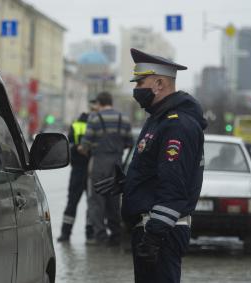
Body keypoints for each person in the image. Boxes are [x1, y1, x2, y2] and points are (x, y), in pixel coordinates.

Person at [95, 48, 207, 282]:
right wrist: (130, 184)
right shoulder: (159, 119)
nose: (136, 90)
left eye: (140, 82)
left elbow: (174, 186)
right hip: (152, 228)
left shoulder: (176, 124)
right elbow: (158, 172)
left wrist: (154, 236)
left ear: (159, 83)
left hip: (162, 230)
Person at [79, 92, 133, 246]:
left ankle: (100, 236)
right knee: (114, 201)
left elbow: (85, 145)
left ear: (99, 104)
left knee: (96, 201)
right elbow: (130, 143)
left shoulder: (94, 118)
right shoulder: (124, 119)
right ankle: (116, 235)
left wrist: (81, 149)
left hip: (99, 165)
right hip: (117, 165)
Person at [57, 103, 97, 242]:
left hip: (77, 169)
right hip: (92, 169)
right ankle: (90, 233)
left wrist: (77, 152)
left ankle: (65, 234)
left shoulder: (75, 125)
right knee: (92, 202)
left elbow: (69, 147)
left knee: (72, 202)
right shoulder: (97, 125)